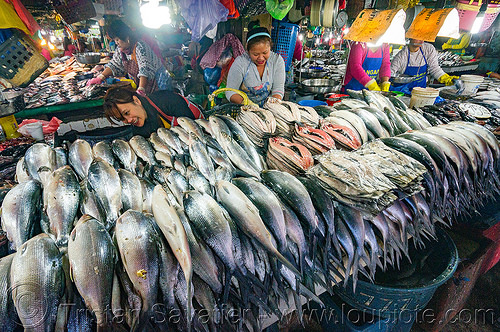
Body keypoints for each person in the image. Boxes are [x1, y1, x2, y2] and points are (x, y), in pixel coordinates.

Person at [87, 20, 172, 95]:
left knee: (160, 108)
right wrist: (101, 77)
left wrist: (141, 89)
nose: (116, 43)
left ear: (126, 37)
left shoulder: (140, 46)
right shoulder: (121, 50)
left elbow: (145, 69)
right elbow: (114, 64)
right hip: (145, 84)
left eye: (117, 39)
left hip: (159, 82)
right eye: (114, 40)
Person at [103, 85, 204, 137]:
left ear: (136, 100)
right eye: (122, 119)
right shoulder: (139, 129)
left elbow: (194, 131)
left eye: (127, 113)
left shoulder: (166, 100)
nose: (128, 120)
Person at [225, 24, 285, 106]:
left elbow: (278, 89)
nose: (261, 58)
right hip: (245, 110)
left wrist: (272, 106)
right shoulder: (240, 62)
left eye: (265, 53)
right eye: (256, 54)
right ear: (248, 50)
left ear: (270, 48)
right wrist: (248, 105)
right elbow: (230, 91)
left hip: (269, 108)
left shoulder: (276, 61)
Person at [390, 39, 458, 94]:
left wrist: (447, 79)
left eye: (423, 37)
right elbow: (389, 74)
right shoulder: (401, 56)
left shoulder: (428, 49)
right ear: (410, 37)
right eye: (418, 37)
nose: (422, 41)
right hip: (404, 93)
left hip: (422, 92)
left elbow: (434, 69)